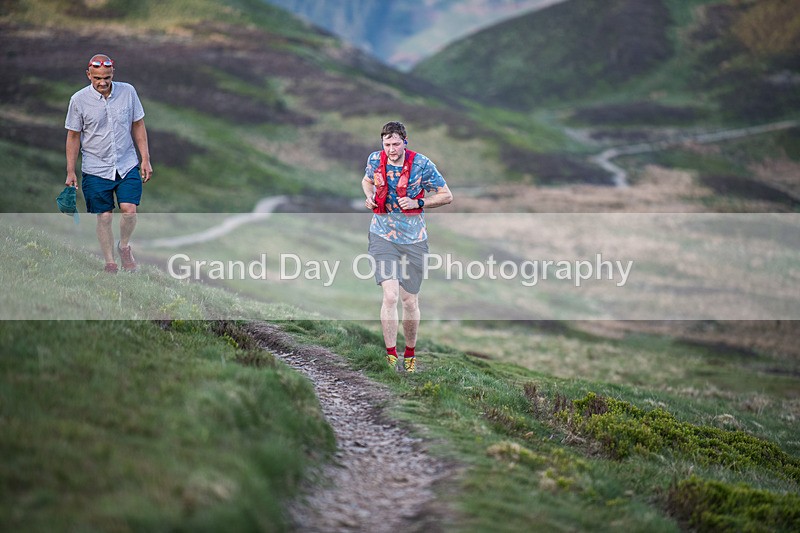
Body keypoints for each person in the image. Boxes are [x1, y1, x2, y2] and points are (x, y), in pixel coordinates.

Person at [362, 121, 453, 372]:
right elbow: (367, 181)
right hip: (382, 235)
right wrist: (369, 196)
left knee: (409, 301)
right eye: (387, 144)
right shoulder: (374, 159)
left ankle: (410, 354)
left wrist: (417, 202)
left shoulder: (422, 164)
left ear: (405, 142)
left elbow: (446, 195)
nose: (391, 149)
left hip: (414, 239)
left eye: (396, 144)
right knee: (390, 296)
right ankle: (391, 357)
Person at [65, 53, 152, 273]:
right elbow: (73, 136)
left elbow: (138, 125)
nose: (102, 82)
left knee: (129, 210)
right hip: (95, 168)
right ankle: (110, 263)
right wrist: (70, 171)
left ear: (113, 73)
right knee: (104, 217)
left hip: (126, 163)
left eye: (106, 77)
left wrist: (145, 159)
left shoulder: (128, 92)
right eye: (97, 78)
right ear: (89, 75)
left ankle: (124, 246)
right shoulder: (78, 100)